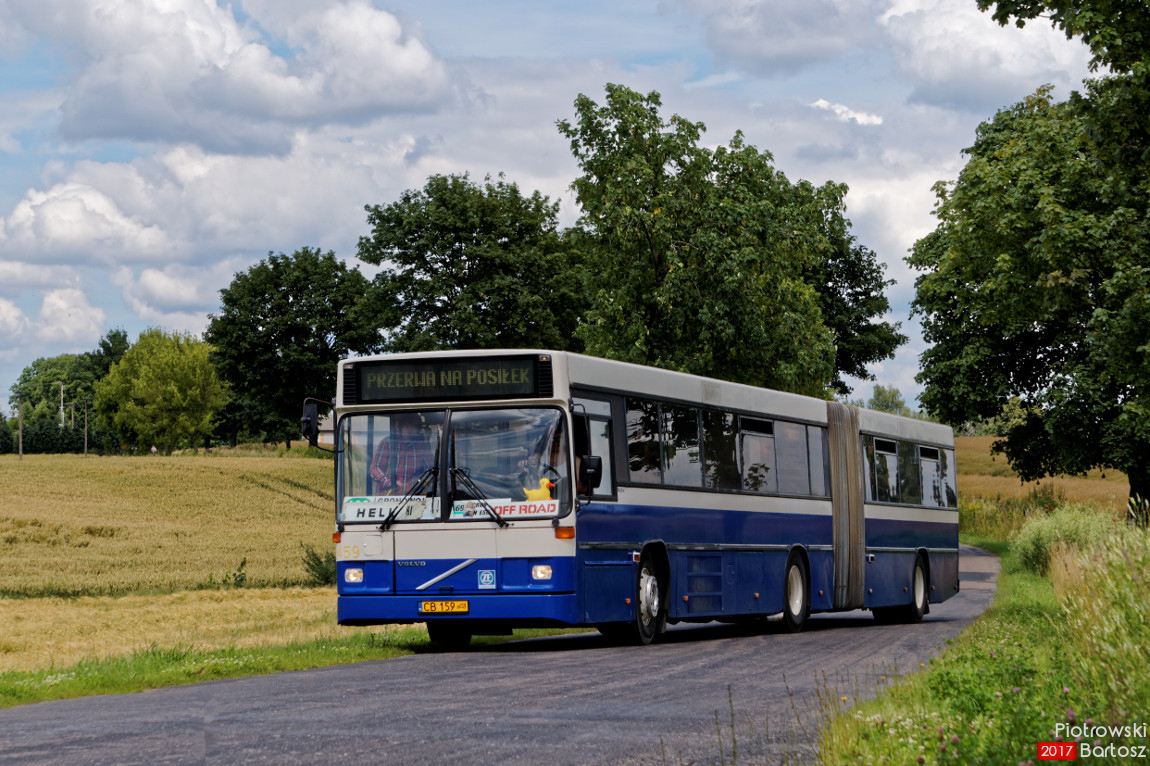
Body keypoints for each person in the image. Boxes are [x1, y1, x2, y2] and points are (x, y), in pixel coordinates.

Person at [370, 414, 435, 494]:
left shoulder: (421, 446)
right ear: (407, 426)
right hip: (387, 498)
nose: (421, 429)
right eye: (418, 426)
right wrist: (390, 483)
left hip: (412, 499)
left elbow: (433, 469)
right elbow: (374, 469)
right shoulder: (387, 443)